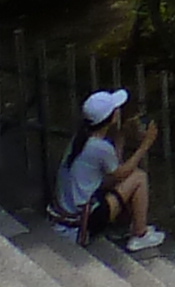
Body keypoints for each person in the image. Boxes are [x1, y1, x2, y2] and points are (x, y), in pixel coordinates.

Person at [53, 86, 168, 253]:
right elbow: (122, 172)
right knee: (139, 177)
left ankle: (131, 225)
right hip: (82, 222)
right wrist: (146, 144)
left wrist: (121, 136)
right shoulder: (99, 147)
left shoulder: (81, 138)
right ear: (110, 117)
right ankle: (140, 234)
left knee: (124, 179)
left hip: (67, 215)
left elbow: (115, 170)